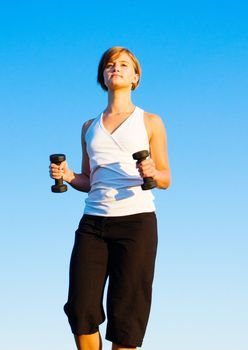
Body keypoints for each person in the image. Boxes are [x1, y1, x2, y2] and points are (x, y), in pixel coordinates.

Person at [49, 46, 171, 349]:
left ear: (135, 77)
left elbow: (166, 178)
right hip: (93, 224)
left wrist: (153, 170)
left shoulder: (150, 121)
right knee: (80, 309)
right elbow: (89, 180)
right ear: (103, 76)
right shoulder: (89, 127)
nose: (115, 67)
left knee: (127, 315)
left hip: (137, 223)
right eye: (110, 65)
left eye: (123, 64)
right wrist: (67, 176)